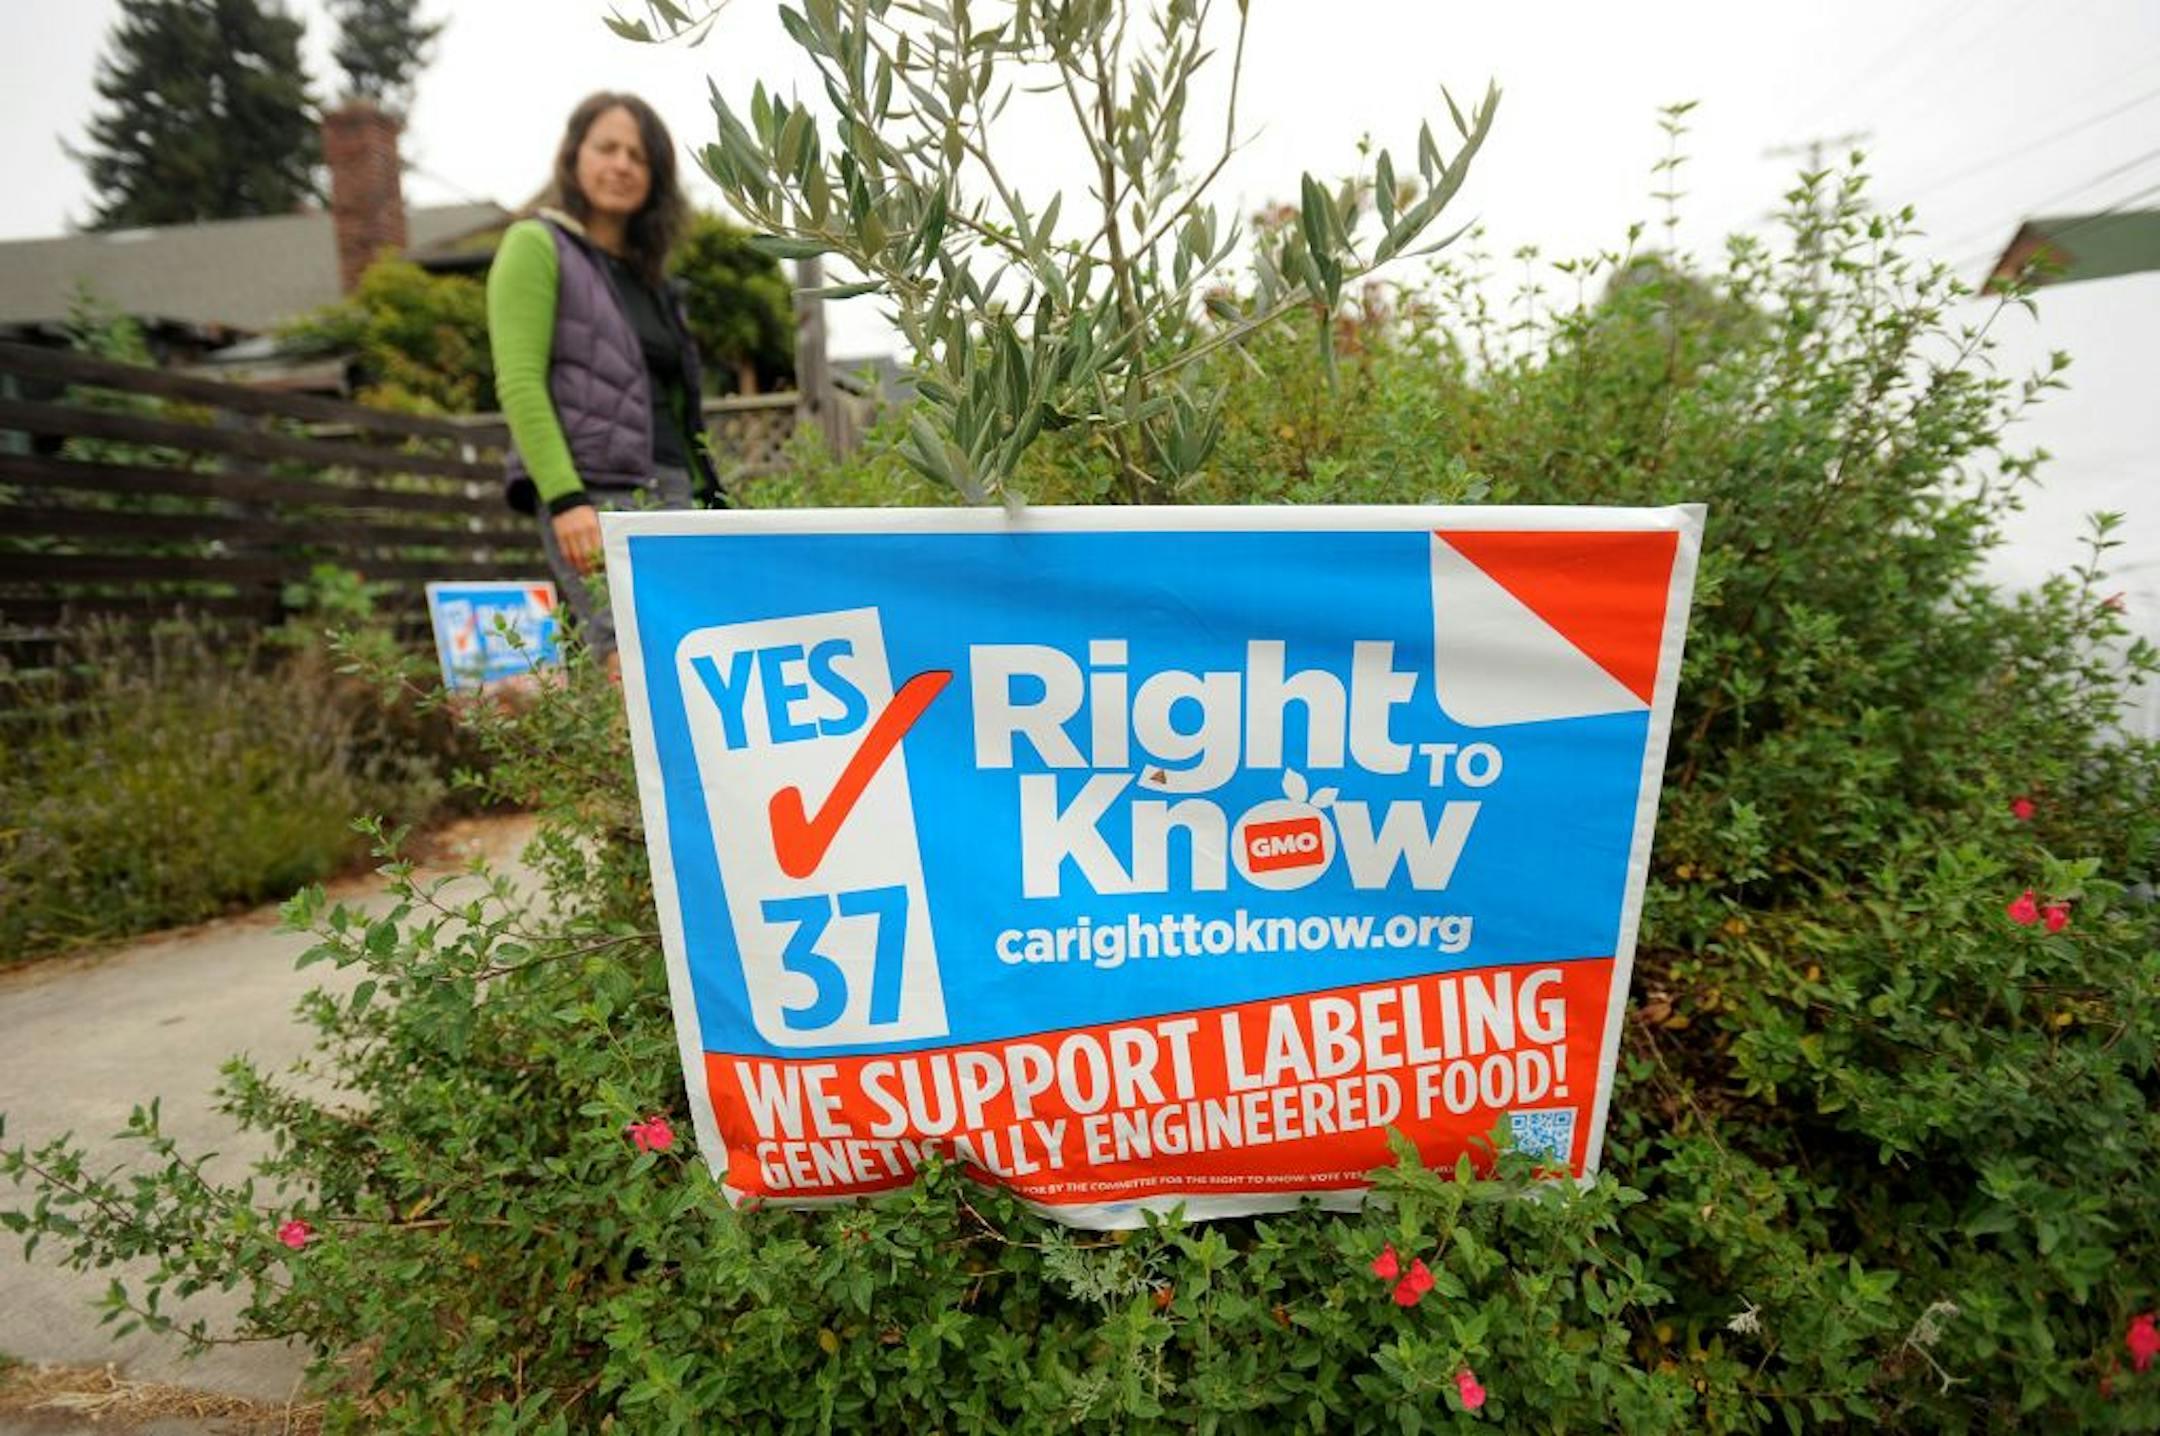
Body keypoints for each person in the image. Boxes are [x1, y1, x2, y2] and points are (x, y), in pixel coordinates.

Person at [487, 91, 722, 674]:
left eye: (638, 156)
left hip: (674, 493)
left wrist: (706, 492)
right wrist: (566, 500)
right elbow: (519, 381)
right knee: (626, 663)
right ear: (574, 156)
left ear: (655, 177)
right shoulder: (536, 244)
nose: (621, 164)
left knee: (686, 665)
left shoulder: (652, 282)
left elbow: (672, 407)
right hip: (597, 492)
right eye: (607, 147)